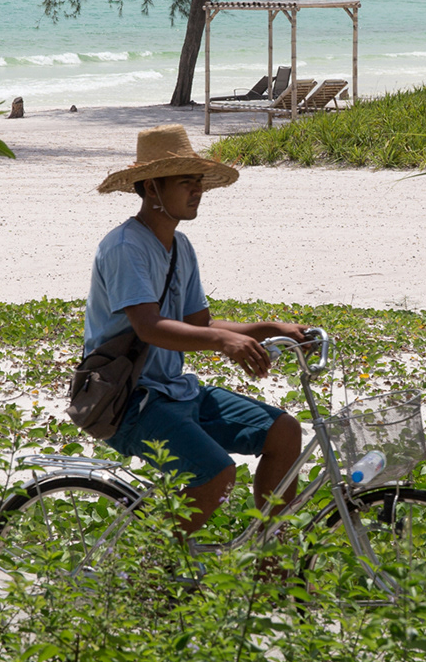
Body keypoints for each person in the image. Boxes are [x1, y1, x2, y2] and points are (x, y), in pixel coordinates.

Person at [86, 124, 310, 533]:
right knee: (216, 475)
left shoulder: (180, 246)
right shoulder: (124, 247)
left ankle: (270, 563)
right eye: (186, 182)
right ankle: (153, 577)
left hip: (174, 390)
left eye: (199, 182)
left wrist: (269, 328)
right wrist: (224, 341)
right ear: (152, 188)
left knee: (283, 431)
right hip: (131, 403)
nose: (197, 191)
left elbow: (198, 324)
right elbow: (150, 327)